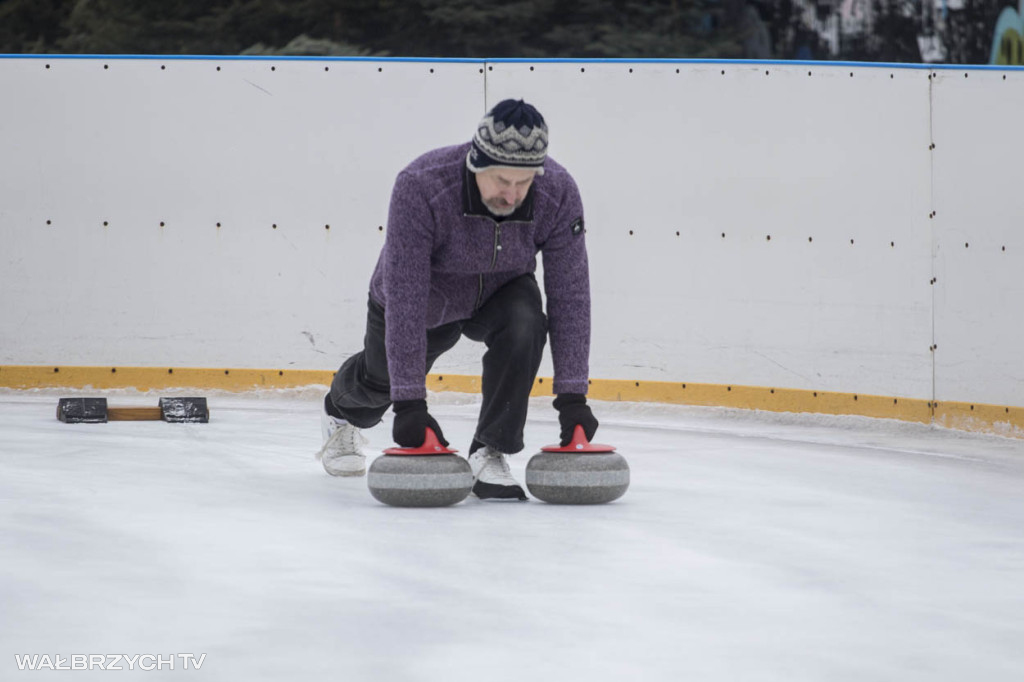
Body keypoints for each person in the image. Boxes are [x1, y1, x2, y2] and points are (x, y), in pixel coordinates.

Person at [317, 98, 598, 500]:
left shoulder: (558, 192)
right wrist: (409, 403)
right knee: (378, 384)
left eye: (524, 182)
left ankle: (491, 448)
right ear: (477, 163)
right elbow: (407, 294)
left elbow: (570, 294)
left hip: (502, 290)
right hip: (426, 296)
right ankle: (338, 413)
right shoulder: (422, 185)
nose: (512, 194)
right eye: (502, 180)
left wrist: (573, 396)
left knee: (526, 321)